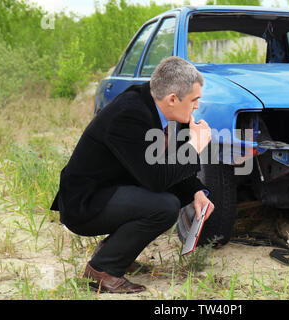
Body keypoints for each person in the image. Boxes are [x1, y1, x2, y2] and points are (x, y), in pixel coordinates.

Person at [50, 57, 214, 294]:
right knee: (165, 206)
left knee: (167, 199)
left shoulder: (158, 106)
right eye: (194, 100)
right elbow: (156, 179)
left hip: (112, 190)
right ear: (172, 99)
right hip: (84, 203)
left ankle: (112, 252)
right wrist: (194, 146)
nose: (197, 106)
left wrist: (196, 191)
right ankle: (101, 270)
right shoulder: (130, 115)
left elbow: (166, 164)